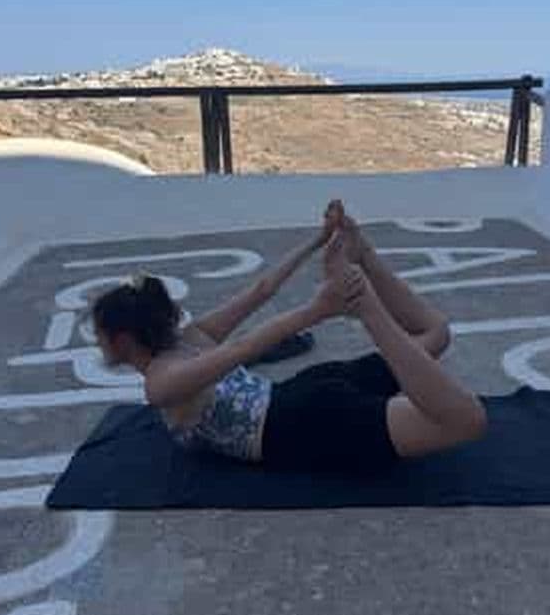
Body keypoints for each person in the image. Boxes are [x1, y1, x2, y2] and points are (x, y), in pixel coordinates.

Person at [91, 201, 487, 475]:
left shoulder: (161, 380)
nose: (98, 342)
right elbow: (257, 308)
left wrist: (320, 263)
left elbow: (252, 325)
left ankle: (363, 279)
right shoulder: (187, 345)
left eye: (100, 335)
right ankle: (362, 267)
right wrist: (317, 287)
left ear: (123, 339)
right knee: (434, 336)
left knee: (464, 419)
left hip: (304, 424)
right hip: (303, 396)